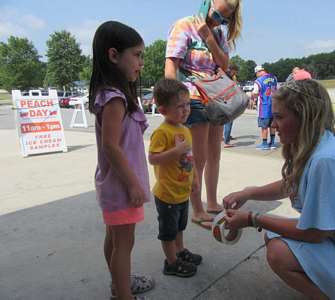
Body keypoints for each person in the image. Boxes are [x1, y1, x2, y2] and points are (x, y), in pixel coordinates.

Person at [223, 79, 335, 299]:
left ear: (304, 117)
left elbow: (315, 232)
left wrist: (252, 218)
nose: (272, 124)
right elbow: (294, 183)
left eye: (279, 117)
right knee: (275, 235)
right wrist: (249, 192)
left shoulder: (325, 159)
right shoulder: (322, 144)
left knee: (279, 252)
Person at [88, 21, 154, 300]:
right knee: (124, 244)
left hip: (115, 185)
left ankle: (119, 283)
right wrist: (134, 185)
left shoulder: (111, 94)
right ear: (114, 55)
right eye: (137, 55)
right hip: (122, 186)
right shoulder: (115, 98)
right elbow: (112, 148)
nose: (141, 62)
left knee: (115, 241)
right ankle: (123, 294)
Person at [165, 0, 243, 228]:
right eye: (217, 14)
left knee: (214, 154)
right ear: (206, 4)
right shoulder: (183, 25)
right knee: (198, 158)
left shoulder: (217, 34)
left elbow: (225, 63)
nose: (217, 21)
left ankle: (211, 201)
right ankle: (197, 208)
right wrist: (174, 105)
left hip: (216, 97)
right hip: (193, 96)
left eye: (224, 19)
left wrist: (208, 36)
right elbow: (171, 67)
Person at [148, 79, 202, 278]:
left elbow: (190, 158)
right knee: (168, 232)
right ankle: (171, 262)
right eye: (180, 106)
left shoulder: (184, 129)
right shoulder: (162, 132)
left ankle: (180, 252)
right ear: (162, 110)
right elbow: (153, 158)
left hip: (182, 192)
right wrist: (175, 151)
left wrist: (195, 179)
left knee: (180, 226)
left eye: (187, 104)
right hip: (167, 194)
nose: (186, 109)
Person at [252, 65, 278, 150]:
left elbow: (255, 93)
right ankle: (273, 143)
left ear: (258, 72)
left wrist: (252, 95)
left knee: (264, 126)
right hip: (274, 105)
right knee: (272, 125)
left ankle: (264, 144)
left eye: (256, 73)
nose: (256, 75)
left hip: (264, 106)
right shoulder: (274, 77)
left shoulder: (258, 81)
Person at [223, 63, 239, 148]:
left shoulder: (223, 75)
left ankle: (226, 137)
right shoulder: (229, 78)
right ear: (232, 70)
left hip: (223, 101)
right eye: (235, 72)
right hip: (228, 101)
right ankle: (226, 141)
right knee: (229, 121)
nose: (235, 74)